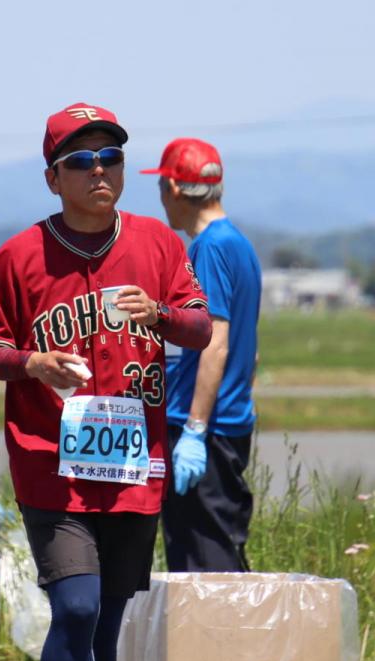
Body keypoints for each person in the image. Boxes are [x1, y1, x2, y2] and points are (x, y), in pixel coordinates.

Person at [0, 102, 211, 661]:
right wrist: (32, 363)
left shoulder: (160, 245)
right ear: (53, 178)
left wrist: (159, 314)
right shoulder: (19, 256)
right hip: (52, 461)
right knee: (74, 607)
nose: (100, 170)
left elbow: (198, 326)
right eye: (81, 160)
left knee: (107, 619)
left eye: (111, 157)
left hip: (132, 465)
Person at [142, 138, 261, 572]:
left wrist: (194, 429)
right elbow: (253, 350)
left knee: (206, 570)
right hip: (228, 422)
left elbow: (216, 339)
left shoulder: (209, 248)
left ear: (174, 188)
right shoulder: (239, 245)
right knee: (217, 555)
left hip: (205, 432)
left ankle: (216, 644)